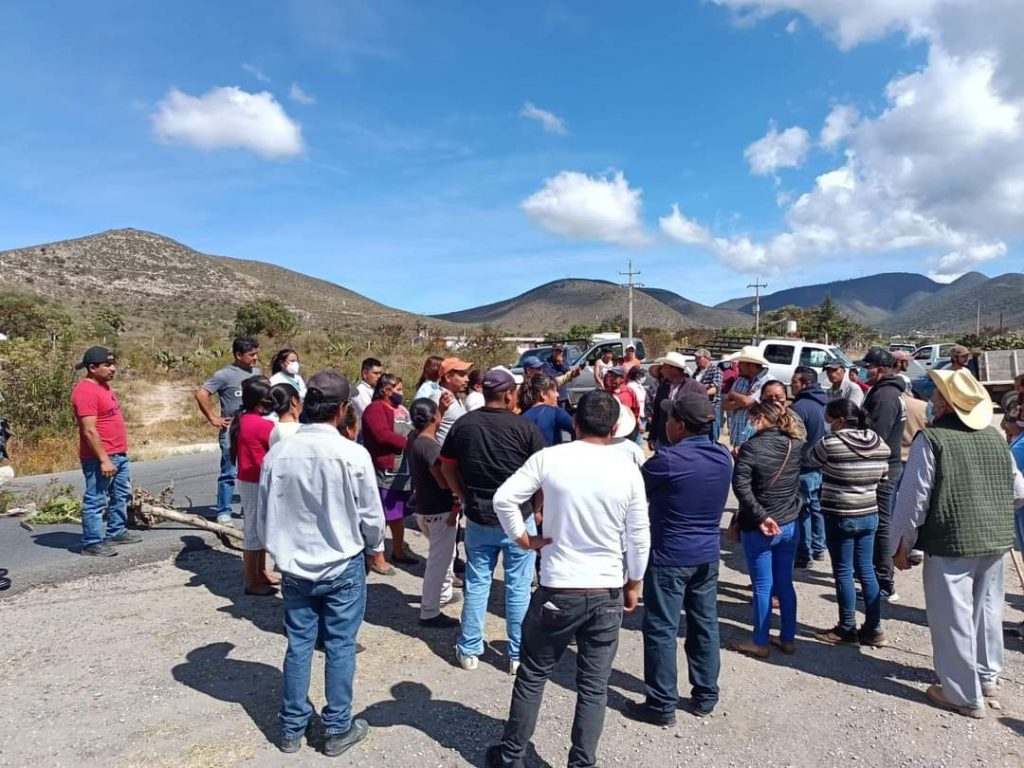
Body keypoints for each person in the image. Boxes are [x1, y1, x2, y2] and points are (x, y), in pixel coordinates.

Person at [484, 390, 650, 768]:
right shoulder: (627, 469)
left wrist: (524, 539)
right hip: (606, 589)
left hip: (559, 586)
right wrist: (634, 582)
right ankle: (581, 762)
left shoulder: (551, 458)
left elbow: (504, 499)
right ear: (614, 428)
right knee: (593, 686)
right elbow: (639, 533)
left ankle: (512, 756)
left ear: (574, 423)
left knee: (533, 675)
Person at [256, 370, 384, 756]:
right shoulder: (351, 453)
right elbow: (372, 517)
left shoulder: (278, 453)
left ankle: (292, 730)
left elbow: (264, 517)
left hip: (295, 567)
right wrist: (374, 547)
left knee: (298, 645)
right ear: (343, 409)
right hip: (342, 564)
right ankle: (336, 728)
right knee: (340, 646)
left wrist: (280, 552)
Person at [892, 368, 1024, 717]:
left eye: (937, 395)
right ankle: (987, 676)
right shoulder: (996, 438)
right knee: (987, 611)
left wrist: (900, 545)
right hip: (995, 538)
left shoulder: (932, 440)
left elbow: (912, 502)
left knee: (952, 615)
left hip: (950, 540)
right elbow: (1018, 491)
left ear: (947, 404)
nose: (932, 400)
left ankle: (961, 694)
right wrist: (989, 511)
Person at [626, 395, 731, 726]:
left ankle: (661, 704)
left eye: (671, 420)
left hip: (670, 555)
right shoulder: (723, 456)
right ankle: (705, 694)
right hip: (707, 555)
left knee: (661, 627)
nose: (666, 424)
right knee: (705, 623)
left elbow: (634, 490)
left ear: (681, 426)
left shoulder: (666, 461)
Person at [439, 367, 546, 674]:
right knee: (518, 587)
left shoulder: (464, 425)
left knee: (477, 583)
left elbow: (447, 467)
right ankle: (516, 655)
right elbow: (541, 478)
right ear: (510, 395)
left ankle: (470, 648)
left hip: (478, 517)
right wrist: (537, 509)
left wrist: (461, 495)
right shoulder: (526, 428)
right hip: (519, 518)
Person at [806, 398, 892, 647]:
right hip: (869, 512)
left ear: (840, 421)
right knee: (866, 570)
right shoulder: (880, 443)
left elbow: (811, 460)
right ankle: (874, 629)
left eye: (829, 419)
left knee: (843, 571)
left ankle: (846, 627)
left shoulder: (831, 443)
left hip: (840, 513)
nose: (827, 424)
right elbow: (884, 477)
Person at [730, 400, 804, 658]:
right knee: (784, 582)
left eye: (751, 419)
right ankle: (788, 637)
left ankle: (760, 640)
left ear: (760, 418)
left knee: (762, 585)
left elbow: (741, 487)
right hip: (788, 522)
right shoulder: (794, 444)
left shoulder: (752, 447)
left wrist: (760, 517)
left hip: (761, 525)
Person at [71, 346, 140, 557]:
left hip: (118, 454)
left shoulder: (105, 387)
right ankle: (92, 542)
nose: (113, 368)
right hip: (100, 458)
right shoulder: (85, 392)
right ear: (92, 368)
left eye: (113, 363)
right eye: (107, 365)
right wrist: (103, 460)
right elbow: (89, 430)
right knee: (96, 499)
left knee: (120, 495)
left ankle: (116, 531)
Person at [406, 398, 462, 628]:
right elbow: (442, 479)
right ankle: (429, 610)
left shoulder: (414, 440)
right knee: (438, 562)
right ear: (434, 418)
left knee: (445, 556)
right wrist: (458, 493)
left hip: (424, 508)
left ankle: (443, 594)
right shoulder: (430, 447)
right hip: (439, 510)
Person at [195, 336, 261, 525]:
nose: (255, 358)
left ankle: (250, 508)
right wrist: (213, 418)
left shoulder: (257, 372)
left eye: (256, 353)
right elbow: (201, 394)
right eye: (251, 354)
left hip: (253, 430)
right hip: (232, 431)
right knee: (229, 472)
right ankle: (224, 512)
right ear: (238, 355)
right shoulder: (224, 375)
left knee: (253, 470)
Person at [859, 347, 905, 602]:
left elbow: (877, 437)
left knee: (881, 524)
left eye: (869, 367)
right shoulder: (883, 391)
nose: (867, 371)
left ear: (880, 368)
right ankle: (875, 574)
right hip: (884, 465)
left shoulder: (886, 396)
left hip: (883, 468)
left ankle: (884, 579)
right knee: (879, 523)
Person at [361, 374, 418, 574]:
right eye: (398, 389)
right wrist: (409, 443)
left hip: (402, 469)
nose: (401, 393)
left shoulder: (400, 409)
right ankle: (377, 556)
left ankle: (398, 550)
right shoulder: (375, 409)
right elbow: (381, 434)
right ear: (386, 390)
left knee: (398, 513)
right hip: (386, 469)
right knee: (381, 515)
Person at [230, 375, 278, 595]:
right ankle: (252, 580)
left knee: (258, 529)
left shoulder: (244, 419)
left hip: (249, 480)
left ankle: (261, 571)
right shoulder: (262, 425)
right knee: (253, 532)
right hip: (254, 481)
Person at [790, 367, 828, 568]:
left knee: (802, 509)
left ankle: (804, 553)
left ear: (804, 384)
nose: (791, 385)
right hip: (821, 464)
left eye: (794, 381)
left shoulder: (799, 408)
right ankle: (819, 547)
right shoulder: (826, 403)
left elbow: (794, 440)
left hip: (804, 465)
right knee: (816, 507)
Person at [648, 352, 707, 450]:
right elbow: (657, 413)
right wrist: (652, 436)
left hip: (687, 441)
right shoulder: (663, 387)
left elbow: (703, 416)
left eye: (664, 367)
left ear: (674, 369)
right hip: (663, 440)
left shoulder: (696, 387)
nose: (661, 370)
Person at [723, 346, 773, 453]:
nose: (738, 366)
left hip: (755, 438)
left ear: (750, 365)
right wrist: (741, 401)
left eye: (741, 363)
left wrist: (733, 395)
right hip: (738, 436)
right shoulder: (740, 380)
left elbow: (748, 402)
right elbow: (725, 405)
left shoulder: (767, 381)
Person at [521, 374, 575, 447]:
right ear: (544, 394)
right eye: (554, 391)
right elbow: (579, 430)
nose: (558, 395)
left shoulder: (522, 417)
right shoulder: (556, 412)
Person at [693, 348, 724, 444]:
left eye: (698, 358)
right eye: (696, 358)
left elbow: (715, 388)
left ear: (706, 358)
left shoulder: (716, 370)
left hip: (711, 405)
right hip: (698, 405)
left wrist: (700, 393)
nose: (696, 360)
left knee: (712, 430)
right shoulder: (697, 372)